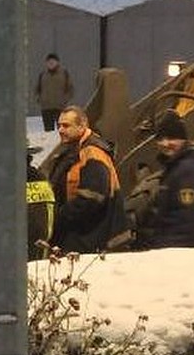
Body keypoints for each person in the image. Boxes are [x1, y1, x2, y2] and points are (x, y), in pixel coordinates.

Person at [47, 105, 131, 253]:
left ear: (82, 126)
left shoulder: (92, 152)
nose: (60, 130)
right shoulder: (74, 150)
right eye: (59, 126)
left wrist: (59, 217)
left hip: (90, 237)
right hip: (84, 233)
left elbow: (92, 197)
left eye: (66, 126)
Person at [135, 110, 194, 249]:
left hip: (185, 255)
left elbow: (188, 223)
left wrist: (159, 249)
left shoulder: (190, 169)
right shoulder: (178, 165)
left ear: (183, 138)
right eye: (160, 138)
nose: (165, 143)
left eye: (171, 138)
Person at [35, 53, 74, 132]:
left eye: (53, 61)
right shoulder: (43, 74)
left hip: (59, 107)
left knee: (62, 130)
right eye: (49, 62)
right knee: (48, 131)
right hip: (46, 107)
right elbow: (37, 88)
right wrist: (39, 99)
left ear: (57, 62)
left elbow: (70, 88)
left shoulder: (64, 73)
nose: (51, 63)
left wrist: (65, 100)